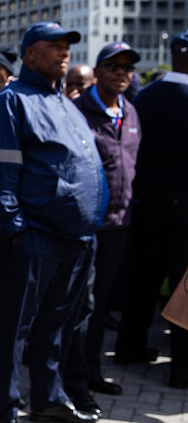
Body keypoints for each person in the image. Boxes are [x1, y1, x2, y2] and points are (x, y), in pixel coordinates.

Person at [0, 22, 108, 423]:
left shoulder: (68, 103)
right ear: (31, 53)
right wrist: (18, 233)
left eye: (67, 47)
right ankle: (2, 411)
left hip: (78, 239)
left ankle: (48, 399)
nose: (64, 53)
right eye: (54, 46)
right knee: (14, 332)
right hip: (36, 238)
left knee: (55, 328)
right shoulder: (10, 102)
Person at [63, 42, 141, 414]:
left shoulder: (132, 112)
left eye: (127, 67)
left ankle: (91, 371)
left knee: (101, 306)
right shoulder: (78, 111)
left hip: (119, 226)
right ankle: (74, 381)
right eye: (113, 66)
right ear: (98, 71)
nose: (121, 73)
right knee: (81, 308)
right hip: (85, 227)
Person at [115, 30, 188, 389]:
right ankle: (182, 370)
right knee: (182, 288)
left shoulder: (145, 97)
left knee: (143, 278)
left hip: (147, 204)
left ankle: (128, 347)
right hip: (184, 210)